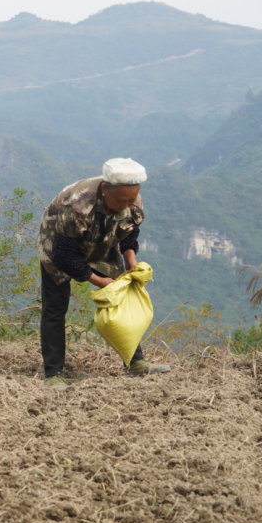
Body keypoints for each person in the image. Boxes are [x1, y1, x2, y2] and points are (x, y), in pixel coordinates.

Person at [36, 158, 171, 390]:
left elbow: (129, 234)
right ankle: (53, 372)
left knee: (123, 300)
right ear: (104, 189)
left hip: (102, 244)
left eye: (131, 199)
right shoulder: (76, 205)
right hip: (58, 249)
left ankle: (135, 363)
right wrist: (99, 281)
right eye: (120, 199)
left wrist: (131, 260)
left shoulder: (133, 203)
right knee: (55, 308)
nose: (125, 204)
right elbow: (64, 256)